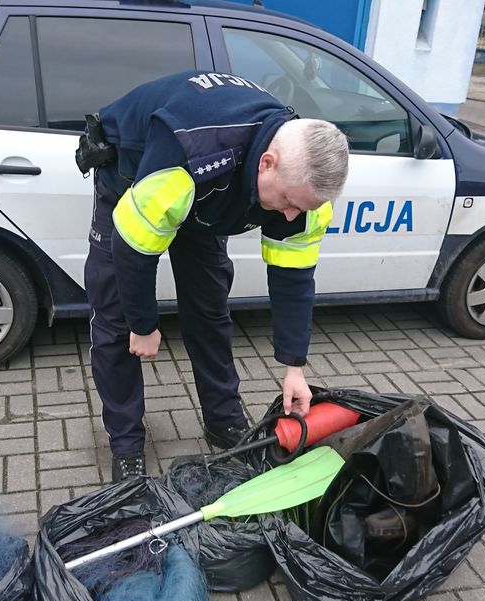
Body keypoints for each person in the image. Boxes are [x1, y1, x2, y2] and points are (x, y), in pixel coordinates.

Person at [78, 70, 349, 482]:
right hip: (133, 179)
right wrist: (144, 325)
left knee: (209, 310)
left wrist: (294, 366)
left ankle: (223, 421)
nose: (292, 216)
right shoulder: (190, 154)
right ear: (267, 163)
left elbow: (293, 279)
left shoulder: (303, 196)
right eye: (289, 202)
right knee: (117, 324)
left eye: (302, 208)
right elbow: (132, 248)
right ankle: (127, 443)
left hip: (205, 200)